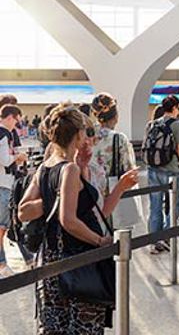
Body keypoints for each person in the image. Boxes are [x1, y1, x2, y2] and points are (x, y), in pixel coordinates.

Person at [18, 104, 138, 334]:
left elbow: (24, 211)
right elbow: (69, 220)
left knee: (55, 326)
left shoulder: (45, 168)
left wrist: (117, 187)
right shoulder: (69, 170)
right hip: (78, 258)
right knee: (84, 326)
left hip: (51, 258)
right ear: (78, 134)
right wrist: (100, 241)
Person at [146, 95, 179, 254]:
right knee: (176, 204)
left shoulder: (153, 124)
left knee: (155, 206)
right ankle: (165, 237)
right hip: (171, 171)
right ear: (175, 108)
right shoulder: (177, 125)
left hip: (153, 169)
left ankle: (154, 242)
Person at [89, 93, 138, 229]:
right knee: (118, 235)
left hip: (89, 191)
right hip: (113, 192)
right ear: (116, 117)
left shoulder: (87, 135)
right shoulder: (119, 138)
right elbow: (130, 170)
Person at [0, 104, 29, 276]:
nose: (16, 124)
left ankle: (3, 262)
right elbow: (4, 160)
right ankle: (2, 264)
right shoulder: (3, 134)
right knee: (3, 226)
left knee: (5, 226)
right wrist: (17, 157)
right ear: (10, 117)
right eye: (16, 120)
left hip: (4, 183)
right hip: (3, 183)